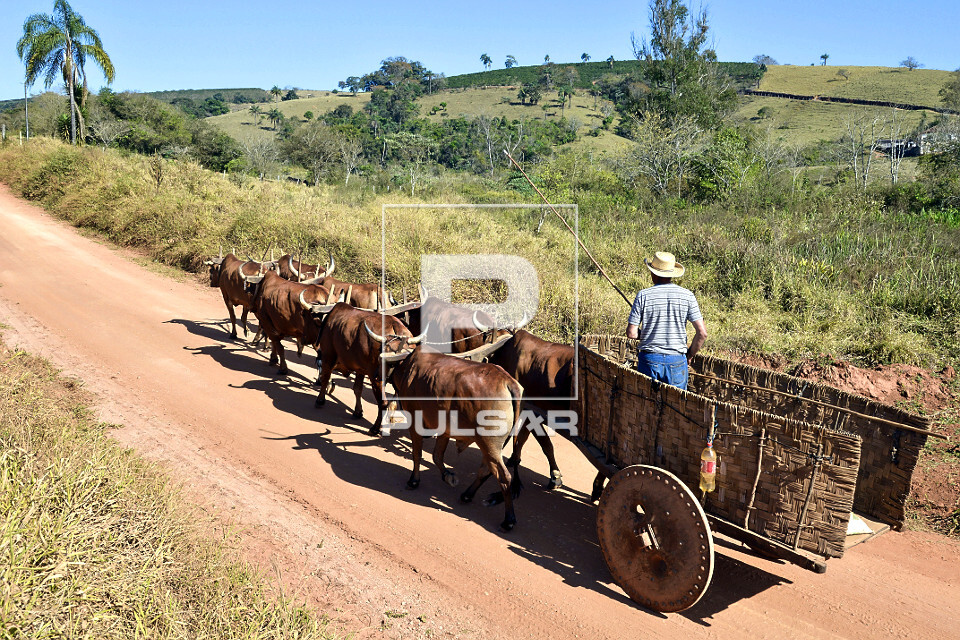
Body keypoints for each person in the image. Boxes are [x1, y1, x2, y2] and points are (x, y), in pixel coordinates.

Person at [626, 251, 707, 390]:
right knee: (675, 406)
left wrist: (647, 335)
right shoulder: (688, 296)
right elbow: (702, 333)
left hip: (649, 360)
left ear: (653, 273)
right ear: (671, 274)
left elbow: (632, 333)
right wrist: (689, 355)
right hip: (677, 361)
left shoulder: (643, 295)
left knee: (647, 404)